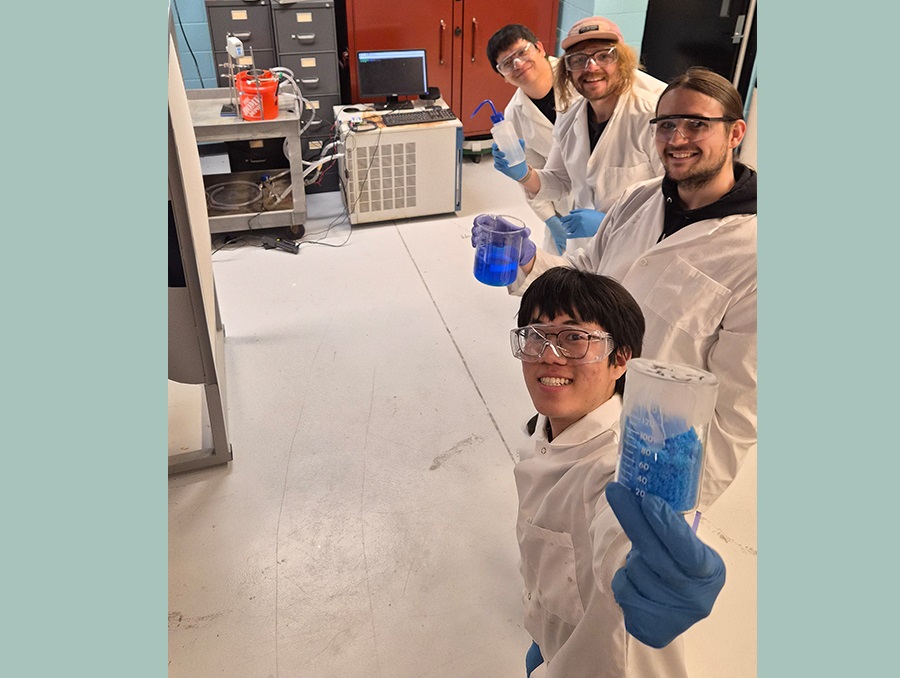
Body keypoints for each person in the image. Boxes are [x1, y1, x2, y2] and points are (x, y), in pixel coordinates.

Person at [479, 66, 757, 511]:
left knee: (615, 565)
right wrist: (528, 261)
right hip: (580, 404)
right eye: (666, 124)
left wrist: (684, 501)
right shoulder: (638, 199)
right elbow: (585, 273)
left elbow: (739, 409)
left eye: (697, 124)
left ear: (735, 132)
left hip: (655, 450)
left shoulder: (755, 250)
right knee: (550, 539)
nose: (678, 137)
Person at [510, 267, 725, 677]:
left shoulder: (616, 467)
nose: (548, 355)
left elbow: (621, 533)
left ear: (621, 360)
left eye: (574, 338)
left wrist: (656, 573)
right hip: (548, 640)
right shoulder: (546, 431)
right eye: (535, 336)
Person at [492, 16, 666, 251]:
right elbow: (560, 180)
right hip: (585, 244)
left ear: (621, 59)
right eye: (579, 59)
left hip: (639, 248)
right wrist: (523, 174)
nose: (591, 67)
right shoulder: (569, 115)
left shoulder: (654, 116)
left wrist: (609, 222)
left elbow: (678, 199)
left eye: (604, 56)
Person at [486, 24, 578, 254]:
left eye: (522, 52)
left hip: (612, 193)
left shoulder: (580, 76)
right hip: (566, 205)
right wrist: (551, 221)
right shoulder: (514, 115)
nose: (517, 63)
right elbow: (531, 174)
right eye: (507, 63)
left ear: (539, 48)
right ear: (503, 76)